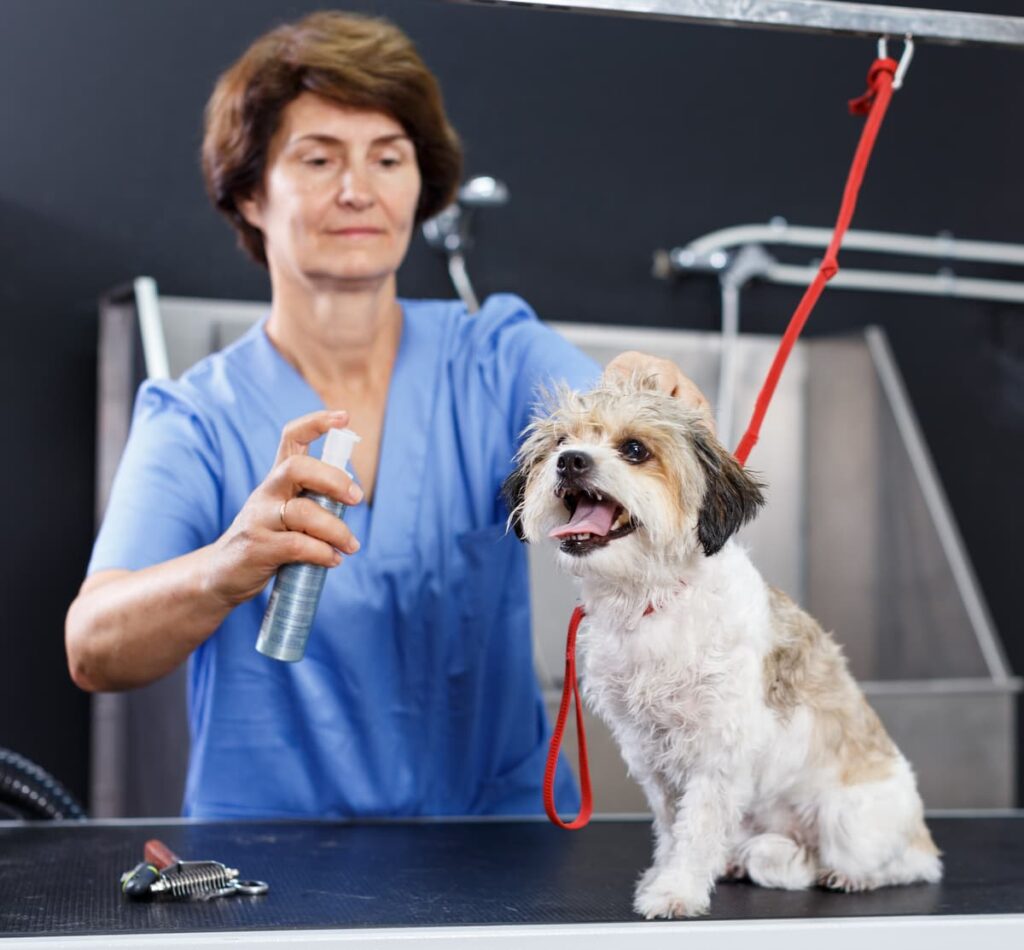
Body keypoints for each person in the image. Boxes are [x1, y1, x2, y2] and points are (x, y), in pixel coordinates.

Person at [65, 11, 706, 819]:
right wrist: (226, 566)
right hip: (272, 864)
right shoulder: (194, 419)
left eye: (387, 158)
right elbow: (93, 648)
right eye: (318, 157)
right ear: (251, 194)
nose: (357, 190)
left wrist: (642, 394)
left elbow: (601, 412)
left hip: (496, 853)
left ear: (419, 184)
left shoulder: (497, 355)